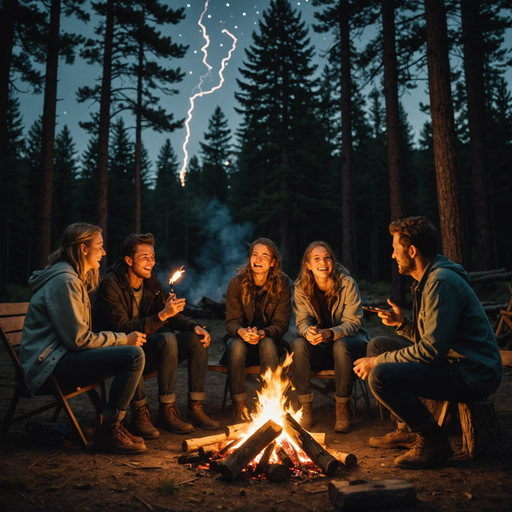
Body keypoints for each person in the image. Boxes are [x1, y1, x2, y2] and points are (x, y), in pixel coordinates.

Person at [354, 216, 503, 469]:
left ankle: (433, 441)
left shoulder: (440, 282)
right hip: (453, 361)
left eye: (395, 249)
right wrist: (403, 325)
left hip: (472, 373)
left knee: (380, 374)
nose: (392, 256)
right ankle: (408, 428)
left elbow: (431, 350)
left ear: (411, 251)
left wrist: (379, 362)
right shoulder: (428, 280)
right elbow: (433, 340)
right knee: (378, 344)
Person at [20, 223, 148, 455]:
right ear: (83, 248)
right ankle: (108, 429)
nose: (104, 252)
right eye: (99, 246)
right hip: (49, 365)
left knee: (130, 352)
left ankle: (109, 425)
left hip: (56, 356)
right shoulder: (65, 281)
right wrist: (121, 339)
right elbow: (78, 339)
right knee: (133, 355)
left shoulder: (70, 277)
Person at [93, 233, 220, 438]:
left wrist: (194, 325)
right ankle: (140, 413)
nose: (151, 262)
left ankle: (181, 410)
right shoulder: (110, 285)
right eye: (144, 257)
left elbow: (171, 317)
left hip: (145, 347)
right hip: (119, 351)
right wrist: (162, 315)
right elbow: (124, 328)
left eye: (152, 257)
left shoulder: (151, 283)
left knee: (195, 339)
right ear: (129, 260)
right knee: (163, 339)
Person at [291, 241, 370, 433]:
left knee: (340, 345)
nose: (323, 262)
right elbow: (302, 321)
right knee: (299, 345)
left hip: (352, 344)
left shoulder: (347, 283)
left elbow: (353, 323)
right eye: (316, 258)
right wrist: (308, 331)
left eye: (327, 257)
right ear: (308, 264)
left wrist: (330, 333)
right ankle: (306, 408)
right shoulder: (301, 286)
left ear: (333, 261)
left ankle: (342, 408)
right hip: (322, 347)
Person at [224, 238, 292, 421]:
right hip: (241, 341)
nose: (258, 259)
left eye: (264, 256)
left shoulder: (282, 283)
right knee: (236, 346)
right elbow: (231, 322)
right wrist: (242, 332)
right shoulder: (236, 283)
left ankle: (270, 403)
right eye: (255, 254)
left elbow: (281, 323)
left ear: (273, 262)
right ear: (249, 258)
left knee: (269, 344)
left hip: (268, 341)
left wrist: (263, 333)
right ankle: (239, 405)